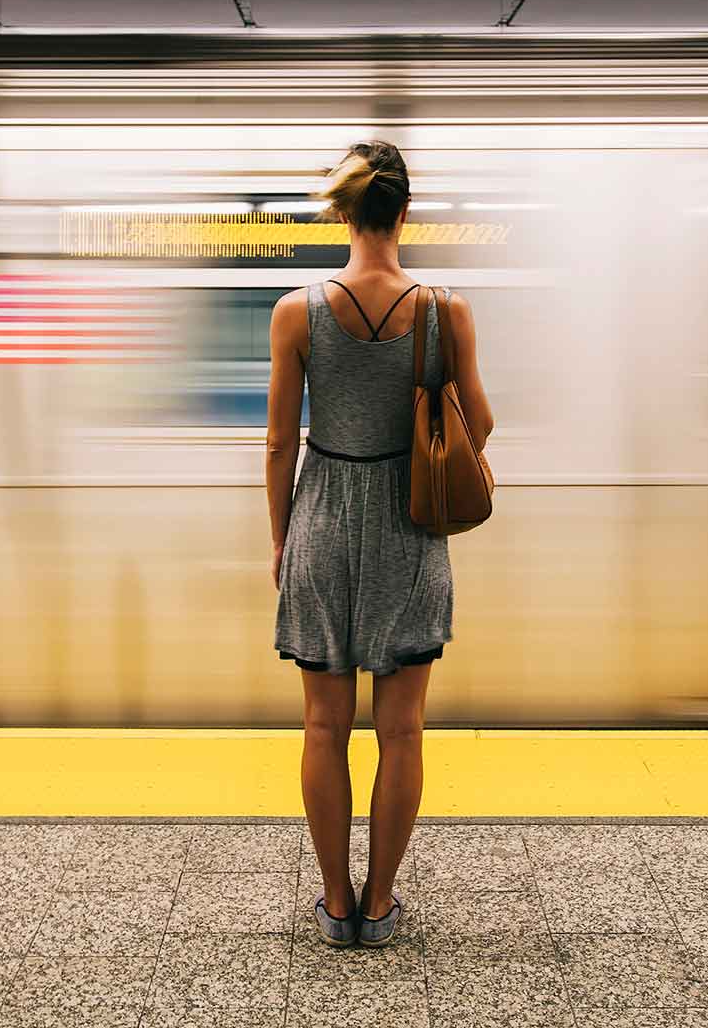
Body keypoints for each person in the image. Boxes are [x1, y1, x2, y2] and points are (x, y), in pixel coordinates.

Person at [264, 140, 495, 949]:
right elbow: (482, 424)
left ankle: (335, 905)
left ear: (342, 212)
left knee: (324, 726)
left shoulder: (298, 311)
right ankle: (382, 901)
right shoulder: (445, 309)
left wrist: (283, 541)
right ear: (404, 212)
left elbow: (277, 443)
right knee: (403, 729)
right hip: (409, 522)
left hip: (321, 516)